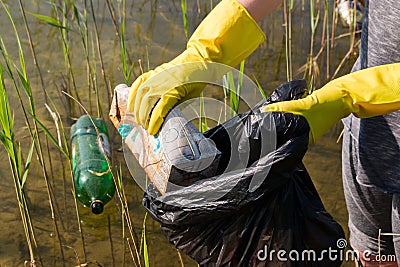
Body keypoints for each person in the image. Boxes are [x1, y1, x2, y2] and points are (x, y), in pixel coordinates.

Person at [127, 0, 400, 265]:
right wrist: (205, 51)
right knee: (372, 252)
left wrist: (349, 95)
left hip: (369, 101)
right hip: (368, 133)